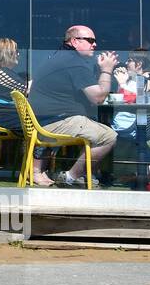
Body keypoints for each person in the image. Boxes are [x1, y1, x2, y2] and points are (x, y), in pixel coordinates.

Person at [26, 25, 118, 188]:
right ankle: (70, 176)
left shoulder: (59, 57)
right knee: (108, 136)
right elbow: (98, 97)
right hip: (55, 122)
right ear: (75, 41)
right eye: (90, 40)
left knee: (96, 125)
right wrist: (107, 70)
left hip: (45, 120)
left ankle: (84, 175)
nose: (94, 45)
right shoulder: (74, 62)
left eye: (94, 41)